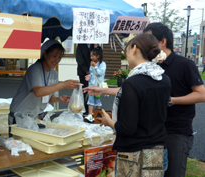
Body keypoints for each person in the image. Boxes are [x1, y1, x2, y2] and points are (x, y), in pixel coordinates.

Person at [84, 33, 171, 176]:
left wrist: (109, 121)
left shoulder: (133, 83)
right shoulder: (163, 78)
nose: (126, 54)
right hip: (158, 151)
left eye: (127, 50)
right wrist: (102, 89)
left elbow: (127, 128)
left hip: (134, 155)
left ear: (135, 49)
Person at [144, 23, 205, 177]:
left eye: (149, 39)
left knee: (174, 173)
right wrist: (103, 90)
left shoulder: (185, 65)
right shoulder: (151, 66)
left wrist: (171, 100)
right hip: (153, 131)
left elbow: (201, 94)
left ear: (162, 42)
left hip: (177, 132)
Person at [8, 40, 79, 137]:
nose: (57, 60)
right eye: (54, 56)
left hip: (33, 117)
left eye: (59, 57)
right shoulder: (34, 69)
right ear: (45, 53)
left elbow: (48, 98)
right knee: (19, 146)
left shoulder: (54, 73)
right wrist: (62, 85)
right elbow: (38, 92)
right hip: (19, 116)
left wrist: (58, 99)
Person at [84, 46, 106, 122]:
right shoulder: (92, 64)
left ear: (98, 56)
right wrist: (88, 76)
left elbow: (100, 73)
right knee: (90, 100)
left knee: (97, 101)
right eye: (91, 56)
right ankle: (90, 115)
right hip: (91, 85)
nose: (91, 57)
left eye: (93, 56)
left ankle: (97, 116)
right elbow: (92, 74)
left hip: (98, 86)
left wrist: (95, 66)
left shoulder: (102, 64)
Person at [76, 44, 96, 115]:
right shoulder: (80, 45)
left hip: (93, 71)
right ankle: (82, 109)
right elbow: (79, 59)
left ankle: (90, 110)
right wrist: (86, 71)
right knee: (84, 90)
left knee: (92, 90)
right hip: (83, 72)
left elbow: (98, 55)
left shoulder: (94, 44)